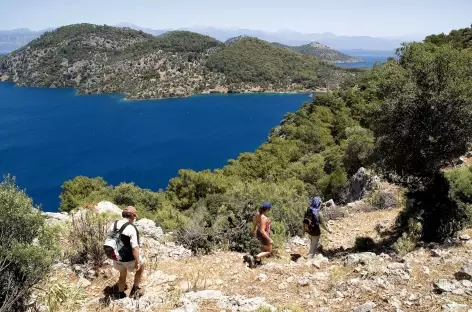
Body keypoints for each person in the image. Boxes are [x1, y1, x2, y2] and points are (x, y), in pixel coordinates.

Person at [109, 206, 145, 299]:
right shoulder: (131, 228)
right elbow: (135, 248)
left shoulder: (114, 224)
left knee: (122, 274)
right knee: (141, 266)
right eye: (134, 216)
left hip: (116, 257)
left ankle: (121, 294)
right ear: (132, 216)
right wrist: (137, 262)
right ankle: (135, 288)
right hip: (128, 258)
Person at [247, 202, 273, 268]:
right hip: (264, 234)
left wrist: (252, 231)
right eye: (269, 209)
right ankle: (255, 258)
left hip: (258, 233)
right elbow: (262, 230)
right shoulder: (264, 218)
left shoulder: (257, 215)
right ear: (267, 209)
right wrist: (269, 239)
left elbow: (254, 224)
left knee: (263, 248)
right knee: (269, 251)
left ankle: (257, 262)